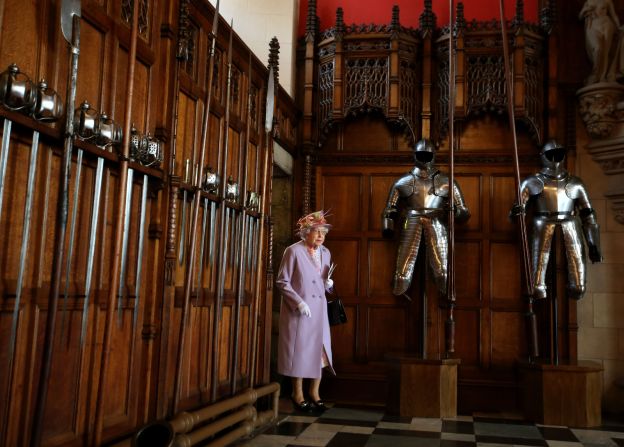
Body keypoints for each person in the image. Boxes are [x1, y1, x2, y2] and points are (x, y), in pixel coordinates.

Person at [511, 140, 602, 300]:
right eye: (550, 155)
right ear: (543, 157)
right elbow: (516, 214)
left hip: (571, 224)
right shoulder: (532, 181)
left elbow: (588, 216)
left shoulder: (575, 183)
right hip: (542, 224)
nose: (554, 160)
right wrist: (517, 212)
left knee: (578, 288)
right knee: (536, 289)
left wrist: (594, 246)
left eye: (558, 155)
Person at [382, 139, 470, 298]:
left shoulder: (445, 181)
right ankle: (400, 288)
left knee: (443, 268)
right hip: (411, 221)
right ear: (414, 156)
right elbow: (389, 210)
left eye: (427, 155)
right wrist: (388, 227)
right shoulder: (403, 181)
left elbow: (464, 212)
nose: (424, 158)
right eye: (420, 155)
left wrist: (454, 212)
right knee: (402, 268)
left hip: (437, 222)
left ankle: (446, 291)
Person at [276, 210, 335, 413]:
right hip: (300, 311)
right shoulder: (293, 251)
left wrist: (328, 285)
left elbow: (322, 285)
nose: (321, 236)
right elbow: (282, 281)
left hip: (319, 311)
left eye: (323, 232)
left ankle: (315, 393)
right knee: (299, 353)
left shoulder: (326, 253)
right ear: (306, 232)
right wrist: (298, 302)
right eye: (316, 231)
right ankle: (297, 394)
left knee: (320, 353)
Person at [579, 0, 623, 83]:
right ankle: (595, 73)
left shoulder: (608, 1)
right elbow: (580, 16)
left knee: (606, 51)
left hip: (607, 25)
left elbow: (614, 15)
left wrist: (618, 27)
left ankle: (603, 76)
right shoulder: (589, 1)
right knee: (597, 48)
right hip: (593, 25)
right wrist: (585, 10)